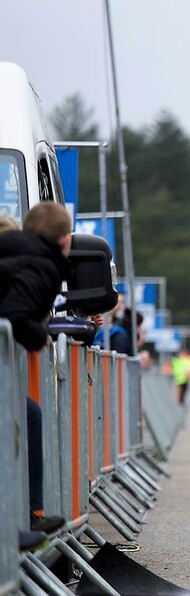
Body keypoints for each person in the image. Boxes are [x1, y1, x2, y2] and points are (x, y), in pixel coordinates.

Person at [0, 202, 72, 541]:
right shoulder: (42, 264)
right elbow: (13, 314)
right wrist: (40, 335)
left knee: (25, 414)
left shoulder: (15, 250)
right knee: (25, 417)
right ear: (64, 240)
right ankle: (24, 518)